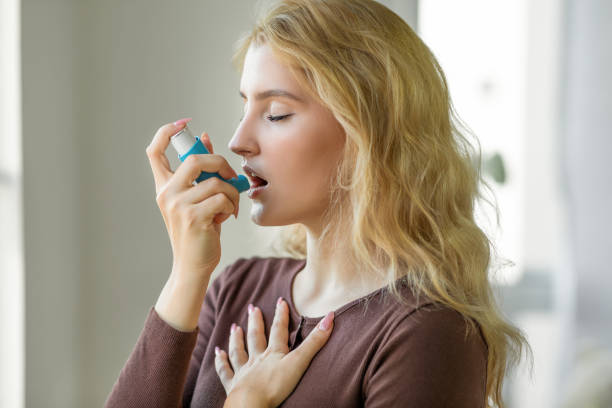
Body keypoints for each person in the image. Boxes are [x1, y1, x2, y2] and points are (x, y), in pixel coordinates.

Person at [105, 0, 533, 407]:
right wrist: (187, 272)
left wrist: (246, 401)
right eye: (244, 109)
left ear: (366, 131)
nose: (238, 141)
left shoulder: (429, 334)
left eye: (275, 113)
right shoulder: (235, 289)